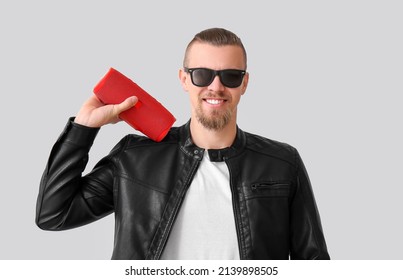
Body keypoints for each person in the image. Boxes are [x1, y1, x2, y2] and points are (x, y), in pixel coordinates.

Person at [36, 27, 330, 260]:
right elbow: (53, 215)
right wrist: (83, 129)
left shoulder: (281, 162)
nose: (216, 87)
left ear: (245, 83)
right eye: (202, 75)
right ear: (184, 79)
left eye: (230, 76)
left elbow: (313, 260)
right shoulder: (135, 158)